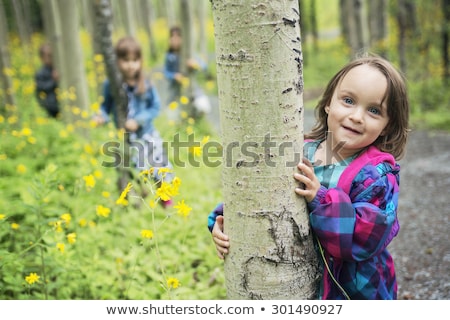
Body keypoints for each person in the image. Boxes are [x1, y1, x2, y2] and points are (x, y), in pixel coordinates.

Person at [207, 54, 410, 300]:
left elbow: (364, 239)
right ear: (328, 103)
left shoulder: (377, 176)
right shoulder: (298, 150)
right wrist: (225, 220)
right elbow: (262, 197)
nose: (357, 116)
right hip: (300, 285)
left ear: (387, 125)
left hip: (353, 293)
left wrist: (321, 199)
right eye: (348, 100)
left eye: (374, 110)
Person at [94, 36, 174, 207]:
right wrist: (101, 116)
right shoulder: (112, 85)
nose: (130, 65)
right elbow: (105, 107)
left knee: (158, 168)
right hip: (126, 140)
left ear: (140, 61)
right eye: (125, 60)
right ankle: (136, 201)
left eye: (134, 60)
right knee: (132, 171)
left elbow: (155, 107)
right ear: (117, 61)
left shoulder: (145, 83)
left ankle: (165, 199)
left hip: (147, 135)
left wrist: (138, 120)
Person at [163, 25, 211, 119]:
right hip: (175, 91)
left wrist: (195, 64)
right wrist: (174, 76)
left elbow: (204, 66)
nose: (175, 39)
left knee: (203, 107)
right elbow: (166, 72)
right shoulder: (169, 56)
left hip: (193, 89)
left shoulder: (189, 53)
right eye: (172, 36)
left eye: (178, 36)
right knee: (172, 117)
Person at [35, 43, 60, 118]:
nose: (51, 58)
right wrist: (54, 80)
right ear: (42, 58)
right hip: (51, 108)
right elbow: (42, 88)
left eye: (51, 55)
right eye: (48, 55)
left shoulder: (56, 67)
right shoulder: (40, 73)